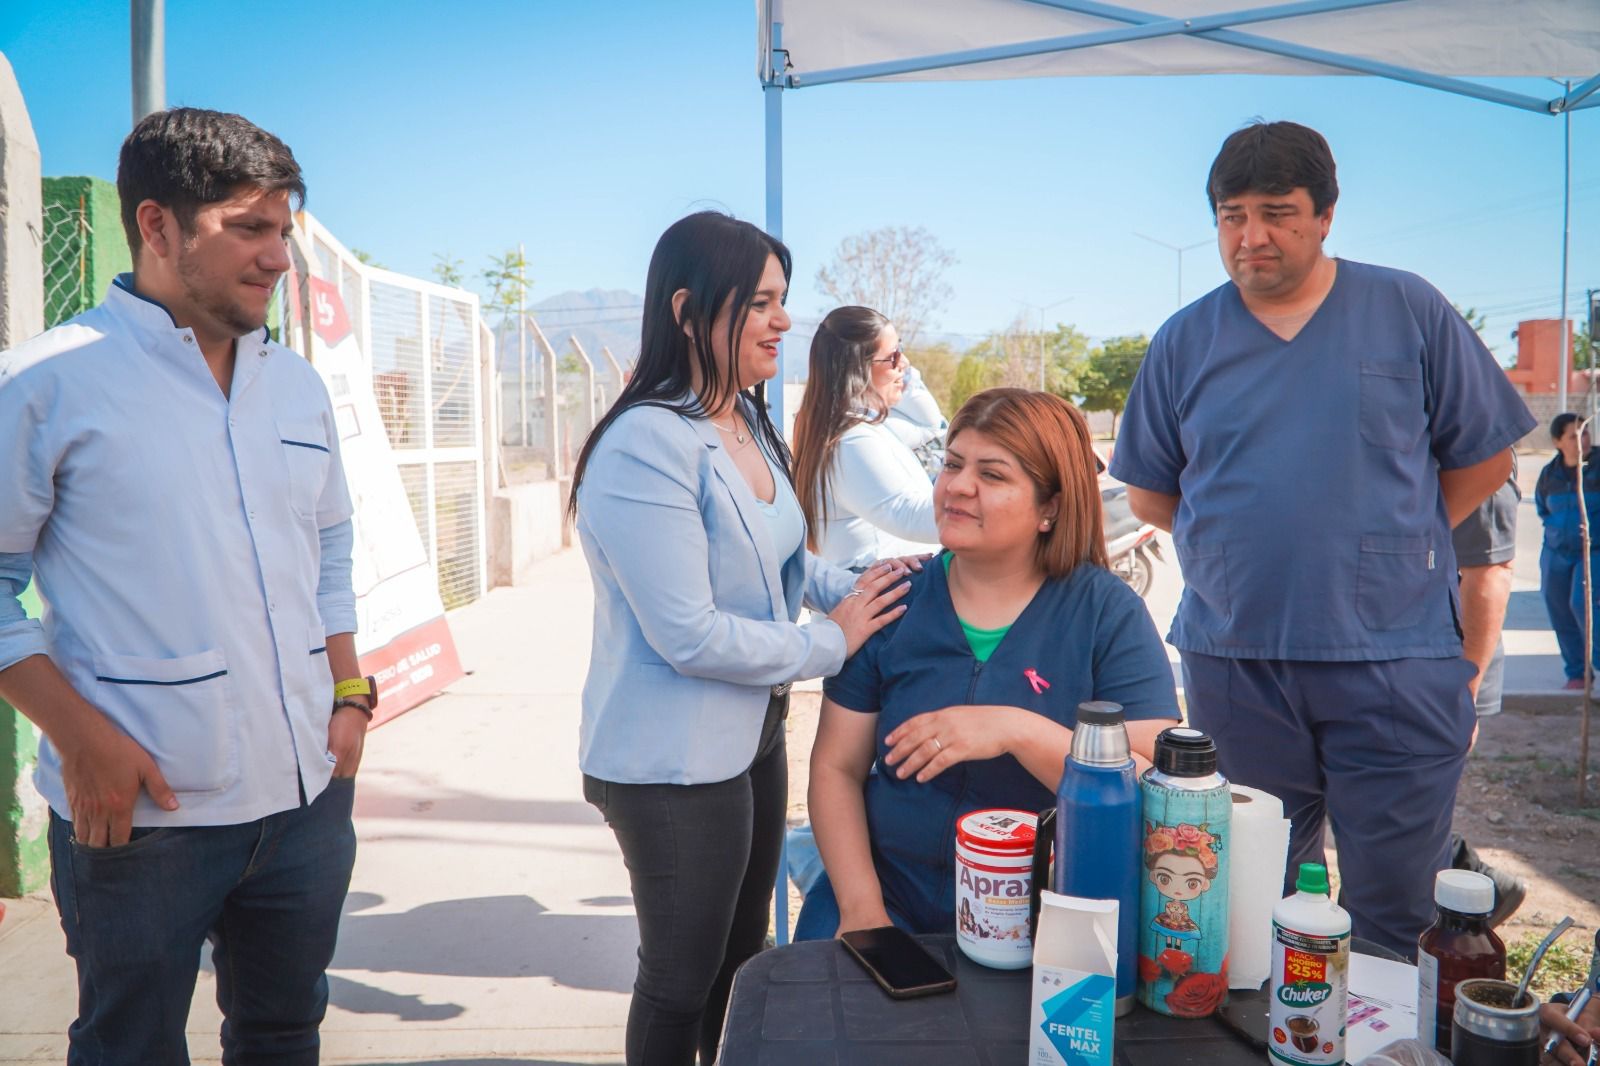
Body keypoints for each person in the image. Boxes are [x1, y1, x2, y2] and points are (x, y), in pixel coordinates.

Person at [1111, 120, 1536, 958]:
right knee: (1257, 896)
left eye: (1278, 212)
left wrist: (1391, 536)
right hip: (1238, 662)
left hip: (1393, 658)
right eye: (1232, 215)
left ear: (1326, 214)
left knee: (1395, 909)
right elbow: (1153, 494)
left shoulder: (1406, 307)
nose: (1252, 236)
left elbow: (1485, 459)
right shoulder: (1185, 339)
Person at [0, 108, 368, 1064]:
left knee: (284, 1035)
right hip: (144, 819)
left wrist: (352, 690)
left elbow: (329, 540)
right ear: (157, 227)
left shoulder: (295, 387)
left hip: (304, 804)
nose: (278, 256)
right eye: (248, 228)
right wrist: (82, 741)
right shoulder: (45, 386)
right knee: (131, 1048)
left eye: (283, 229)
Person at [569, 211, 909, 1066]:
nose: (784, 321)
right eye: (760, 303)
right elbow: (688, 634)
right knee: (680, 980)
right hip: (671, 765)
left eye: (782, 300)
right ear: (688, 311)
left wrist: (885, 590)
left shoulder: (745, 419)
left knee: (740, 956)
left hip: (751, 737)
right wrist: (829, 644)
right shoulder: (647, 443)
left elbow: (791, 561)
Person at [796, 388, 1179, 939]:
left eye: (993, 474)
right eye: (952, 464)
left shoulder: (1106, 612)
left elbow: (1154, 791)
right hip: (884, 896)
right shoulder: (893, 599)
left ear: (1049, 507)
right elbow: (836, 769)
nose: (958, 486)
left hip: (1044, 921)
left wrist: (1017, 730)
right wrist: (862, 913)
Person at [791, 306, 941, 569]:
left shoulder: (865, 426)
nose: (904, 364)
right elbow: (910, 516)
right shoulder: (851, 441)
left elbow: (929, 424)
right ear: (858, 369)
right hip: (877, 601)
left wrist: (898, 375)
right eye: (893, 356)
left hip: (889, 596)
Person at [1448, 468, 1527, 926]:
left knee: (1397, 808)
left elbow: (1490, 573)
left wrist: (1462, 694)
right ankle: (1476, 885)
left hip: (1449, 668)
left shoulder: (1478, 445)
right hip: (1406, 664)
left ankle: (1479, 889)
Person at [1535, 412, 1600, 689]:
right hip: (1556, 552)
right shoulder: (1550, 474)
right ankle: (1577, 672)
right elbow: (1542, 508)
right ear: (1557, 441)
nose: (1581, 441)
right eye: (1572, 436)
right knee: (1559, 608)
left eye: (1584, 433)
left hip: (1593, 551)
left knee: (1582, 604)